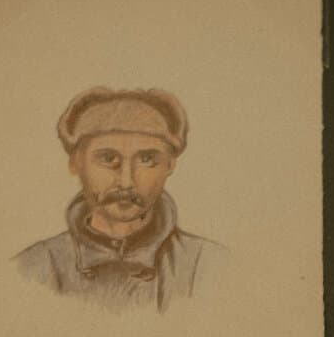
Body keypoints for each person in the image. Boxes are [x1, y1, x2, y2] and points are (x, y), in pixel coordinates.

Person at [15, 87, 224, 310]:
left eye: (146, 159)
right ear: (75, 162)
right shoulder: (36, 266)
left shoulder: (207, 264)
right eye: (108, 158)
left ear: (170, 165)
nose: (126, 182)